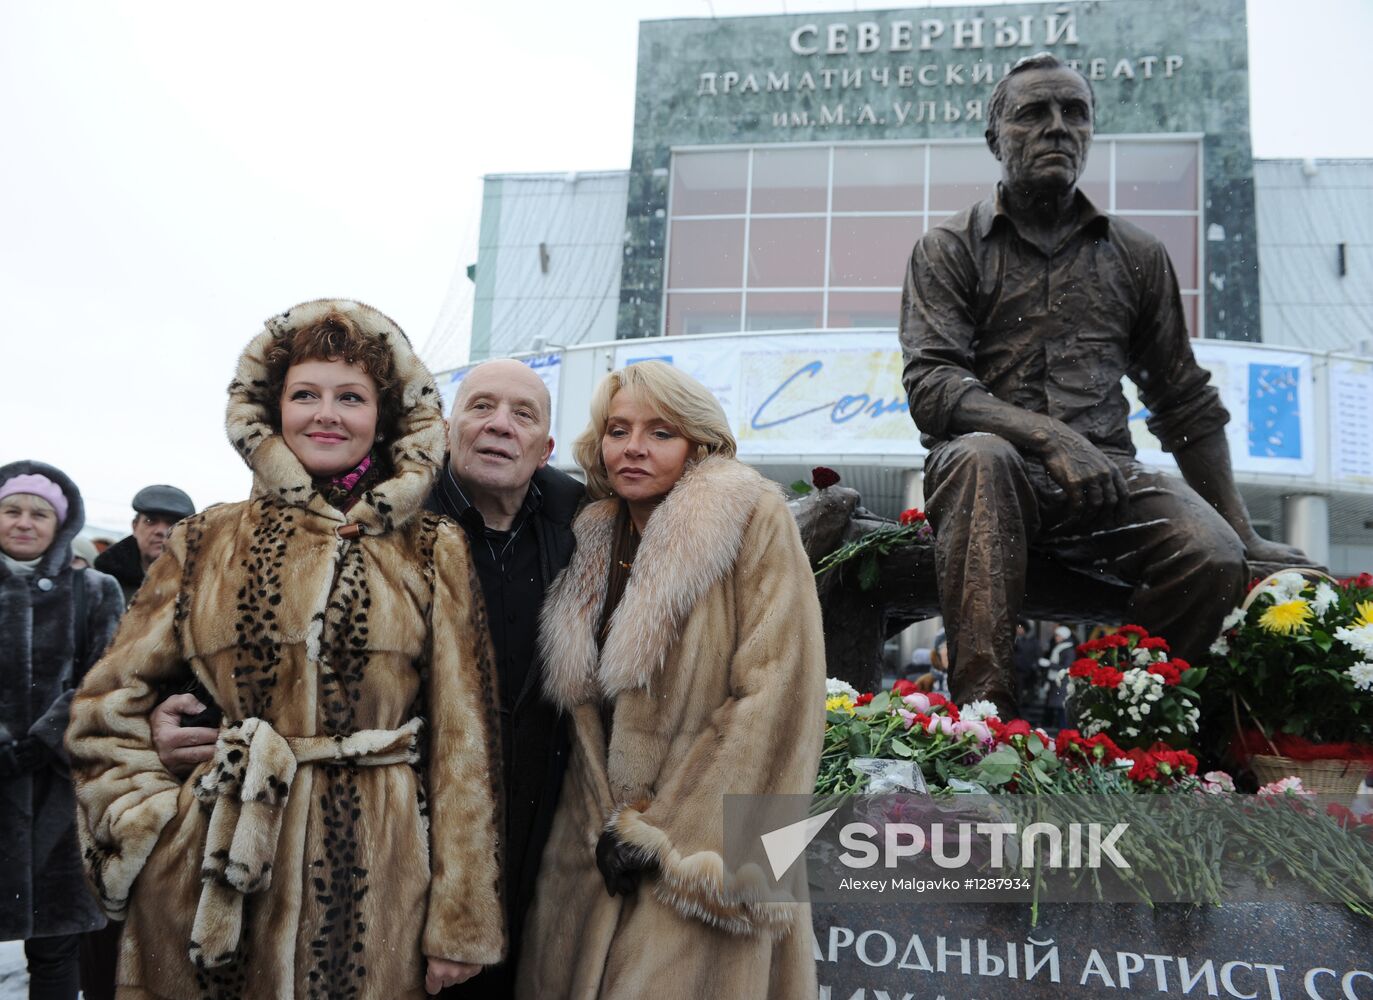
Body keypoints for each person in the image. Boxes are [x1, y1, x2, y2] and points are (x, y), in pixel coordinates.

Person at [66, 299, 505, 998]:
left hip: (376, 886)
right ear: (270, 411)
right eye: (305, 394)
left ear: (383, 417)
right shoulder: (206, 539)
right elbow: (104, 708)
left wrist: (460, 921)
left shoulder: (431, 547)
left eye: (350, 397)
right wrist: (149, 822)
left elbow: (464, 749)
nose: (325, 413)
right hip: (211, 878)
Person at [147, 356, 584, 1000]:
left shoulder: (580, 525)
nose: (499, 426)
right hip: (395, 849)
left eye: (523, 414)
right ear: (444, 425)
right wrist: (167, 715)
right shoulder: (372, 516)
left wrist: (755, 865)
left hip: (541, 838)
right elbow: (246, 633)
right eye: (481, 406)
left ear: (546, 447)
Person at [899, 52, 1307, 718]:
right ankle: (982, 721)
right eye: (1033, 113)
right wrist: (1050, 437)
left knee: (1209, 556)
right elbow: (933, 386)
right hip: (990, 479)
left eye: (1075, 112)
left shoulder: (1135, 254)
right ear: (994, 139)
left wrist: (1242, 533)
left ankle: (1112, 723)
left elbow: (1181, 398)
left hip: (1106, 483)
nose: (1058, 127)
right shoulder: (949, 247)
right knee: (980, 454)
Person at [517, 361, 824, 1000]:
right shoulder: (592, 530)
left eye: (660, 432)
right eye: (618, 429)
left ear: (697, 442)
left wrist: (671, 838)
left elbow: (779, 693)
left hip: (700, 852)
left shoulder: (752, 515)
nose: (634, 447)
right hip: (589, 860)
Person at [1, 462, 124, 999]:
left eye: (39, 512)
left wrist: (41, 741)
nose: (25, 522)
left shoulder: (94, 590)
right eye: (12, 510)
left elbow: (108, 676)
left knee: (57, 950)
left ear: (61, 522)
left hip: (62, 790)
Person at [93, 484, 195, 605]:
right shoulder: (101, 581)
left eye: (172, 523)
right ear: (135, 526)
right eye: (150, 521)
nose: (161, 531)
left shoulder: (199, 587)